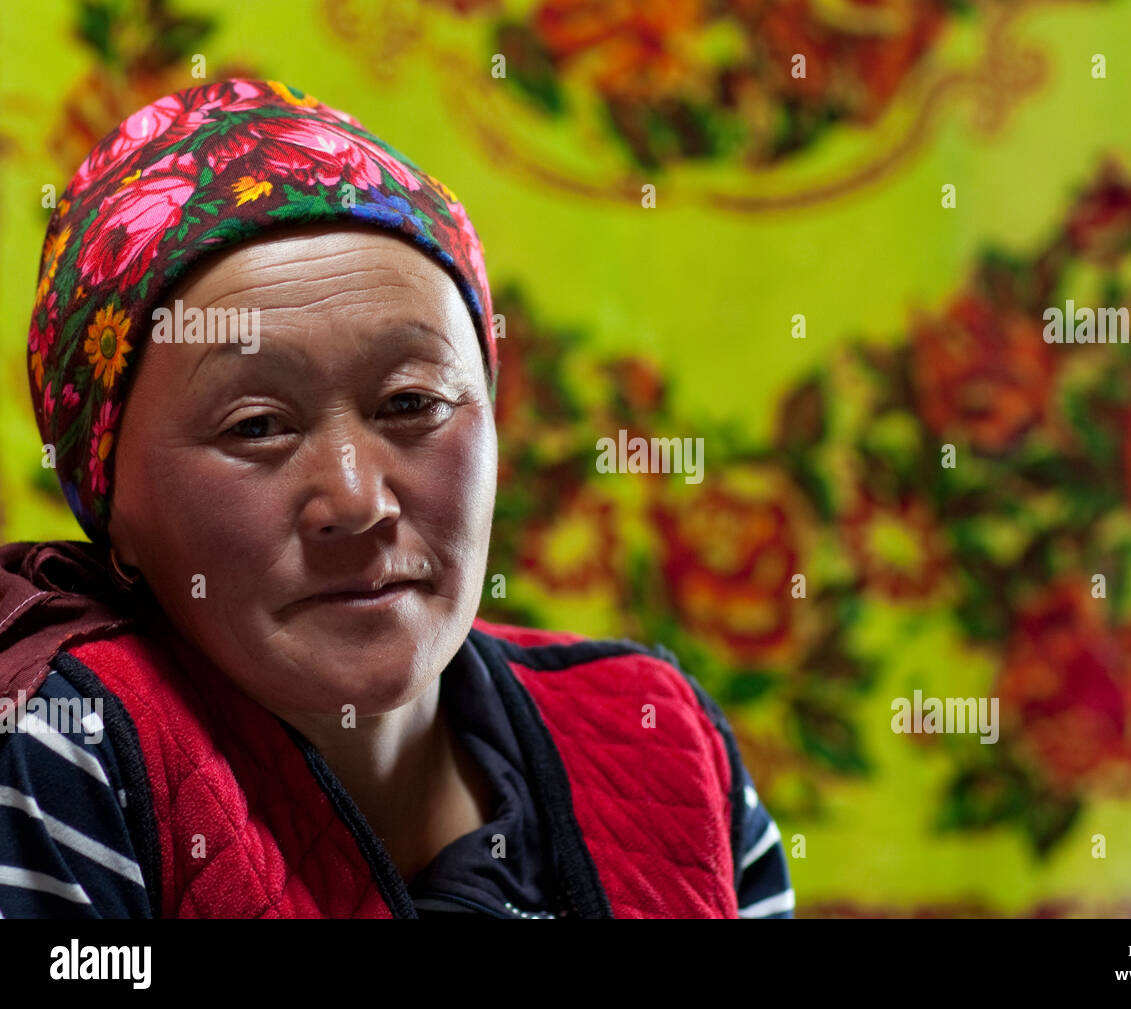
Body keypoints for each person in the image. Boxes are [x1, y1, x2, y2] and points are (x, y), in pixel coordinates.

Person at [0, 79, 794, 919]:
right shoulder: (70, 755)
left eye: (411, 403)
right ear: (109, 501)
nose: (357, 499)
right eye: (258, 424)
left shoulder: (661, 740)